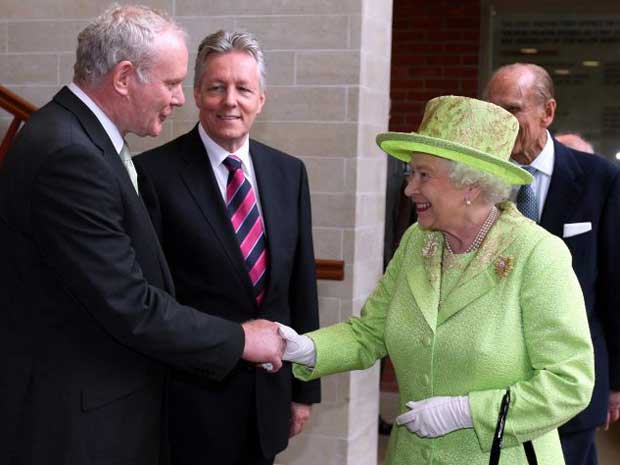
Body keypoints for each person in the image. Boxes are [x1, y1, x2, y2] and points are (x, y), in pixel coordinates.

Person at [0, 6, 284, 465]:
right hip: (76, 427)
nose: (178, 100)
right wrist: (241, 340)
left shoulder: (81, 138)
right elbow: (129, 302)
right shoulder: (70, 155)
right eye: (172, 84)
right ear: (124, 77)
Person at [278, 95, 595, 465]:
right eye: (411, 173)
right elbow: (370, 332)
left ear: (471, 186)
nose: (410, 188)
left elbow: (570, 381)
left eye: (423, 175)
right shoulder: (418, 241)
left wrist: (466, 412)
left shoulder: (537, 253)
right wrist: (306, 348)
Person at [135, 30, 321, 465]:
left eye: (243, 88)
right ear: (197, 93)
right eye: (217, 87)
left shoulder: (289, 173)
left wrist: (303, 391)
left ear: (262, 98)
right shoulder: (153, 175)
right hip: (189, 403)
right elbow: (152, 297)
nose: (229, 101)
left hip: (268, 398)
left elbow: (300, 288)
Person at [485, 63, 620, 465]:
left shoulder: (601, 180)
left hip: (570, 385)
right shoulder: (475, 179)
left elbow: (615, 285)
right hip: (491, 384)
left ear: (548, 112)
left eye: (512, 110)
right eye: (492, 110)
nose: (500, 123)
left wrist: (616, 383)